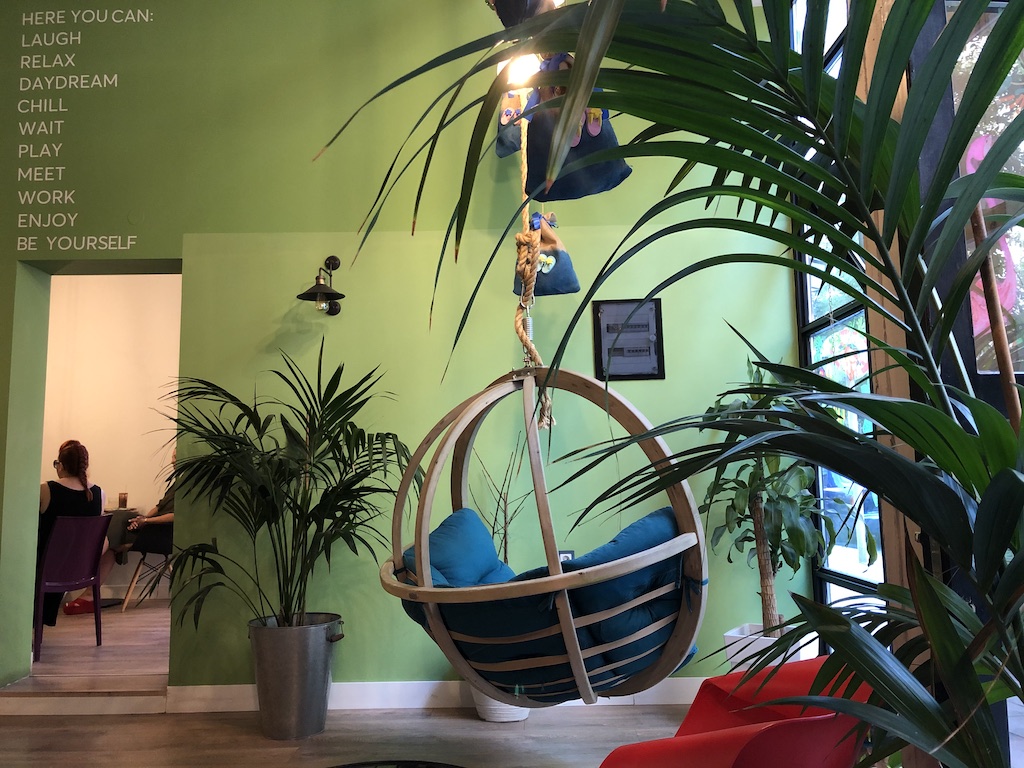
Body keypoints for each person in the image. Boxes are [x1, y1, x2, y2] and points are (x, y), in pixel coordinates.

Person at [37, 439, 106, 624]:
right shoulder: (99, 494)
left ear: (61, 465)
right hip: (82, 571)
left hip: (46, 570)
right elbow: (102, 542)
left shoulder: (46, 490)